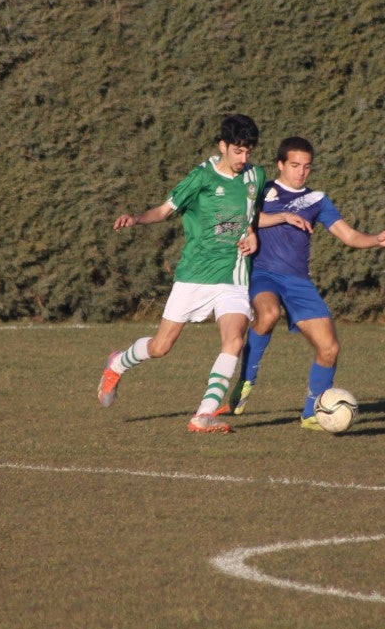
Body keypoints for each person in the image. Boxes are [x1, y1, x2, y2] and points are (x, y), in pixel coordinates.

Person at [222, 136, 385, 429]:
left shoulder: (317, 200)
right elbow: (240, 218)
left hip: (298, 282)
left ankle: (311, 413)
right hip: (262, 273)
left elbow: (348, 236)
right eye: (295, 165)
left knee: (330, 348)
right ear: (280, 164)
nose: (301, 172)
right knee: (268, 314)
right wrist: (274, 218)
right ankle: (246, 379)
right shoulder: (260, 189)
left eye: (307, 167)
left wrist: (376, 240)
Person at [96, 114, 265, 434]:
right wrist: (135, 219)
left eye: (249, 152)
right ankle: (117, 363)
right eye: (238, 151)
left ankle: (204, 415)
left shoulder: (256, 176)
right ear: (223, 146)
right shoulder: (201, 177)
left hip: (233, 275)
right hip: (194, 275)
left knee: (234, 339)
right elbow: (165, 210)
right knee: (161, 347)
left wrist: (253, 232)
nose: (244, 159)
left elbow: (252, 214)